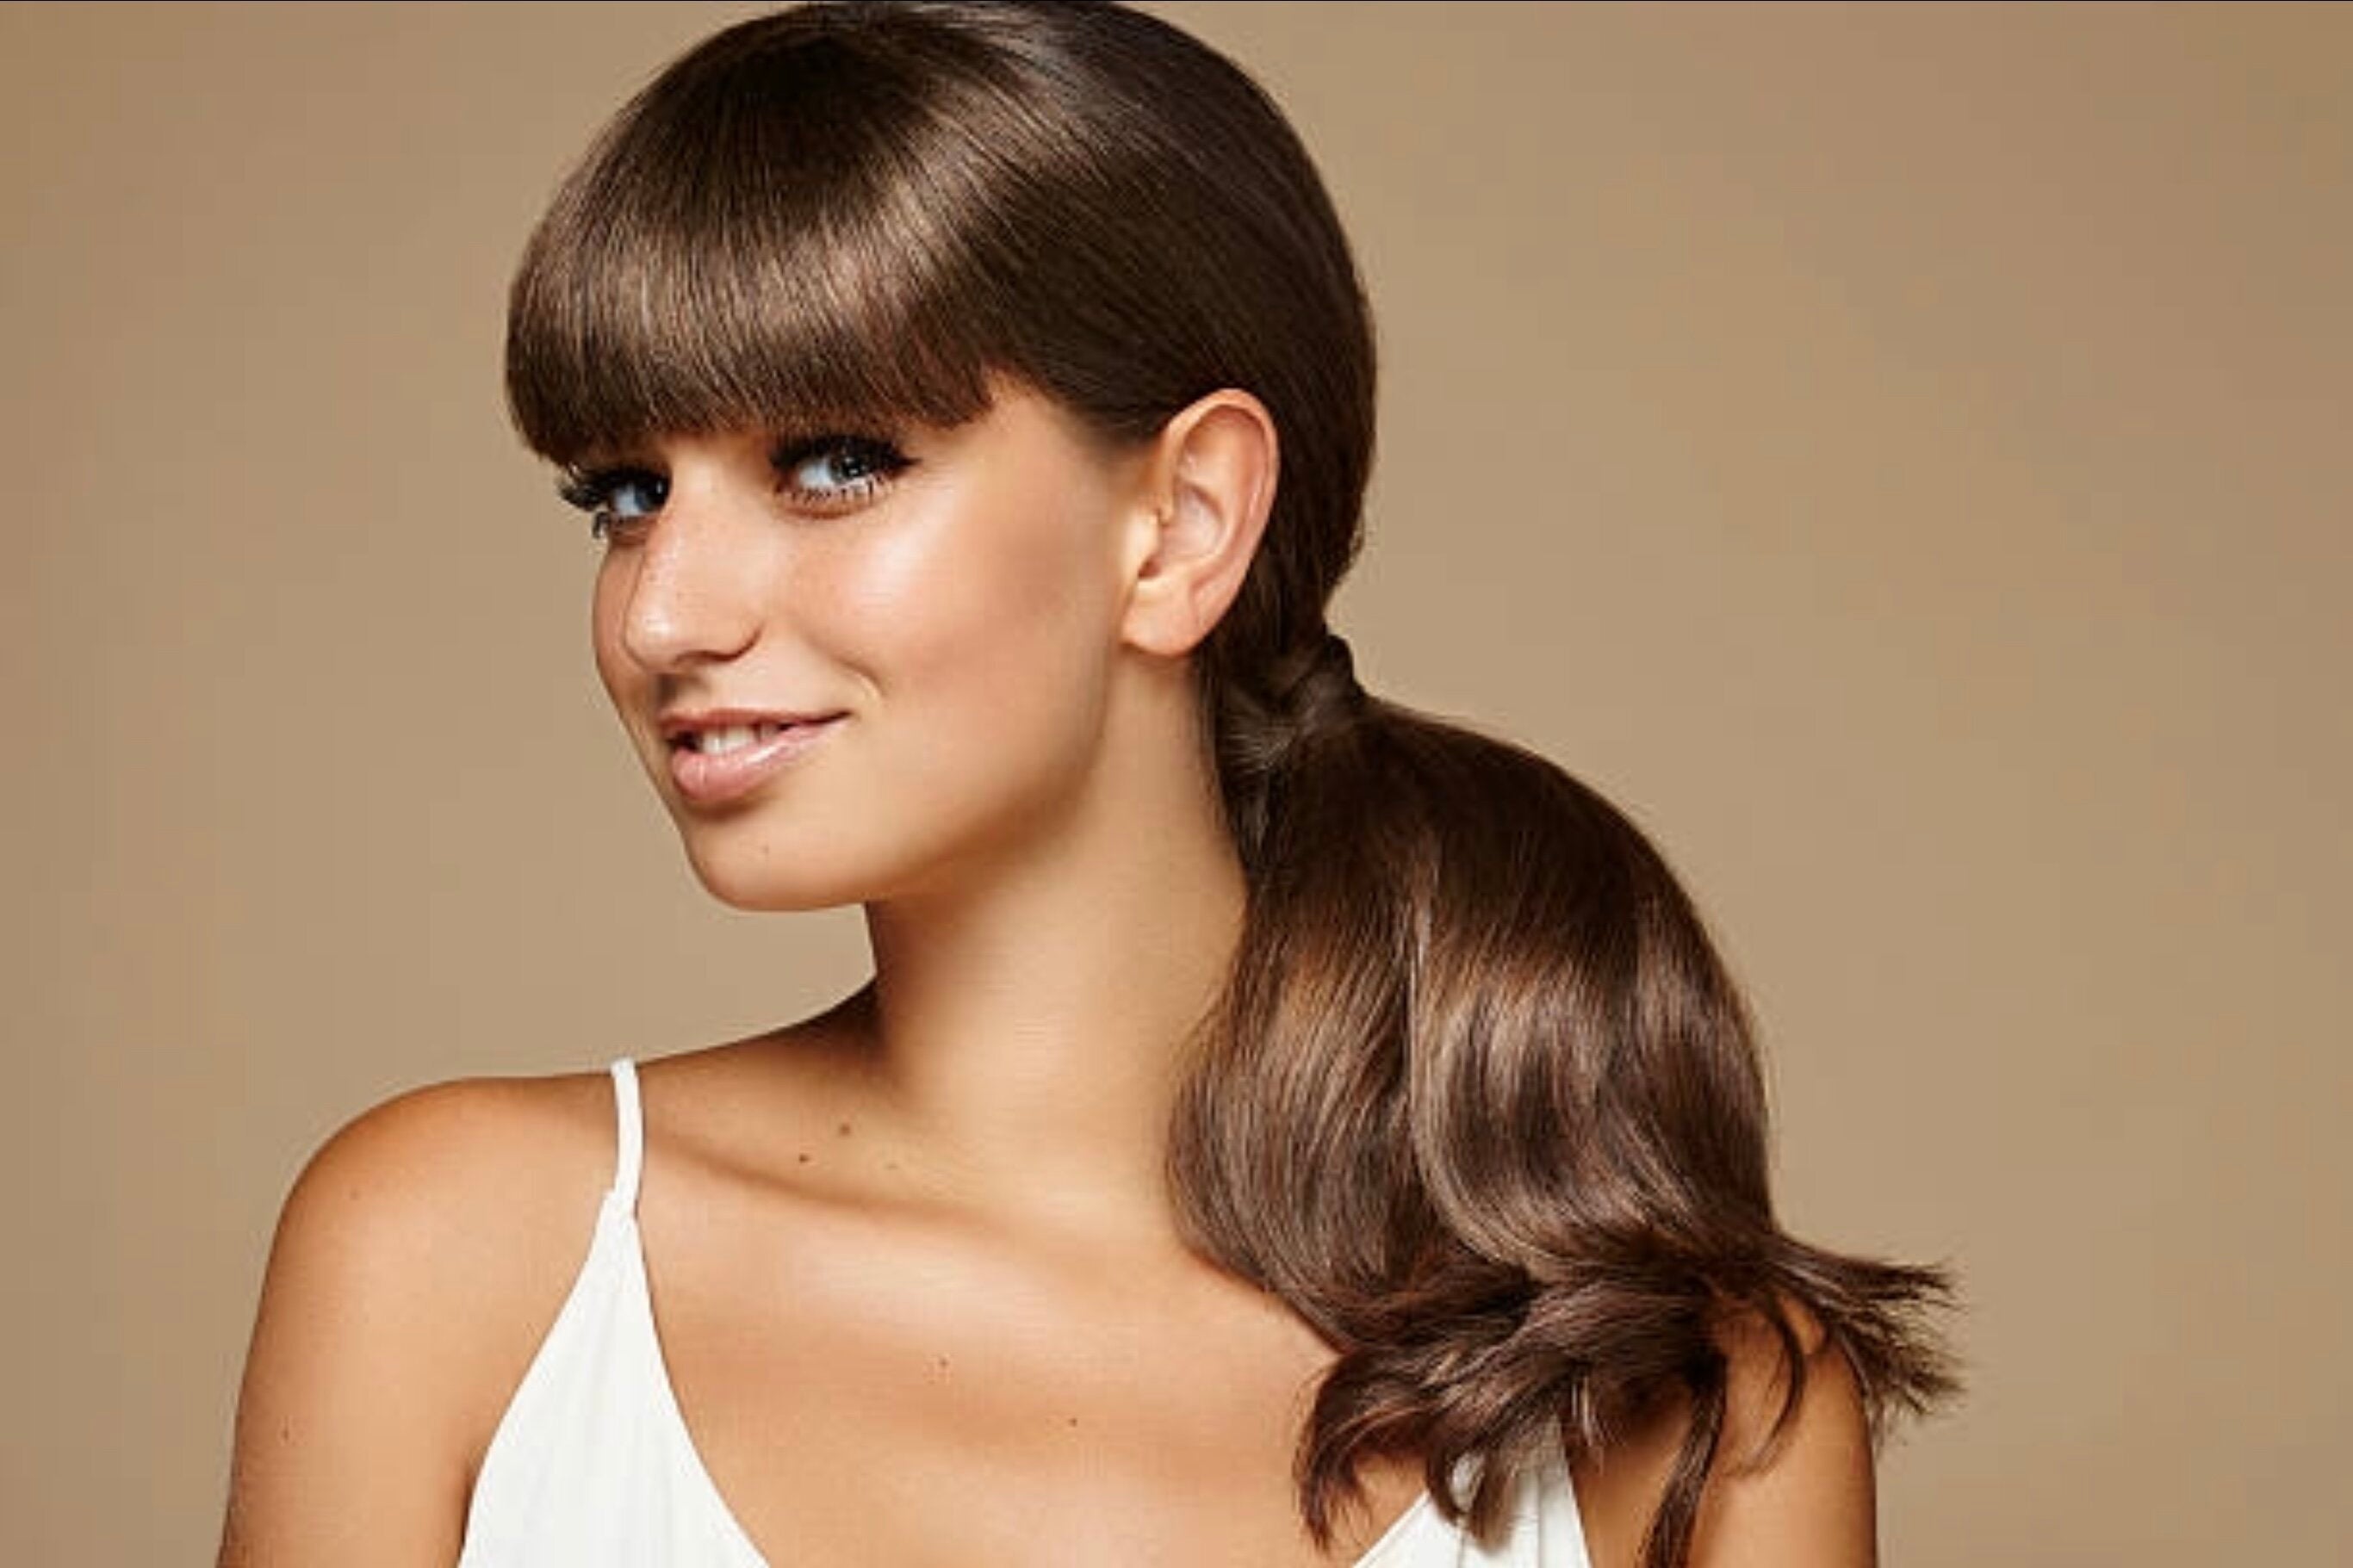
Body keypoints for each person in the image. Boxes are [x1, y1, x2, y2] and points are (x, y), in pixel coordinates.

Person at [216, 4, 1959, 1565]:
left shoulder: (1690, 1395)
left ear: (1182, 520)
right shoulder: (462, 1260)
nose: (661, 611)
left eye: (832, 461)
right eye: (621, 493)